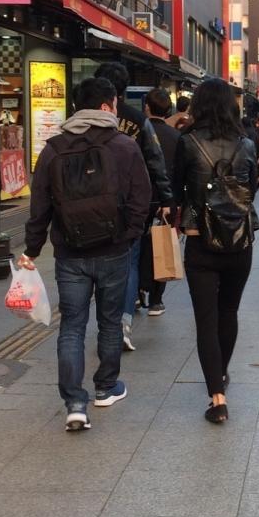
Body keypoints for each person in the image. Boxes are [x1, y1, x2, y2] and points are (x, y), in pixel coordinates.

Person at [18, 76, 152, 432]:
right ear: (108, 105)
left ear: (77, 107)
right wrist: (129, 235)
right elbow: (142, 197)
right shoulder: (124, 146)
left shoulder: (53, 149)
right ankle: (106, 387)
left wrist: (31, 249)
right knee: (110, 321)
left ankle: (75, 404)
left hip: (70, 253)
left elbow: (39, 206)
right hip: (114, 250)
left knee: (72, 326)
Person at [173, 79, 259, 425]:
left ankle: (217, 397)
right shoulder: (247, 144)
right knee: (229, 310)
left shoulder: (187, 142)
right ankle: (220, 372)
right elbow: (251, 187)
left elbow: (176, 189)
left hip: (200, 239)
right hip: (239, 240)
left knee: (206, 319)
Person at [95, 63, 172, 352]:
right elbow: (155, 160)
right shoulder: (139, 120)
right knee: (128, 264)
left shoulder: (83, 120)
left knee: (96, 265)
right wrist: (166, 199)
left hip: (91, 206)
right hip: (132, 205)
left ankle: (107, 324)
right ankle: (123, 323)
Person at [139, 87, 181, 315]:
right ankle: (156, 299)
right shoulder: (176, 137)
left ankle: (137, 292)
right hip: (167, 200)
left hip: (140, 199)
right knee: (163, 245)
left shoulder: (138, 133)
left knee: (137, 246)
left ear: (147, 107)